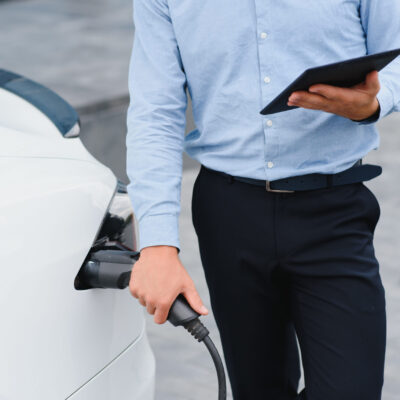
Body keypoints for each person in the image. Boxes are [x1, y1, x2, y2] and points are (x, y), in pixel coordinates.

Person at [125, 1, 400, 398]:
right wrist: (157, 246)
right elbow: (155, 113)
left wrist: (373, 103)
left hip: (334, 210)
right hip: (229, 214)